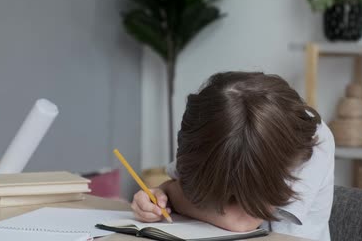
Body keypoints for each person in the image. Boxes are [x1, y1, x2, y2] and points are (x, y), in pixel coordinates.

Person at [132, 72, 335, 241]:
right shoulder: (216, 132)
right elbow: (183, 183)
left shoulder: (312, 139)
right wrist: (158, 197)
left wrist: (172, 192)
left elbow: (242, 221)